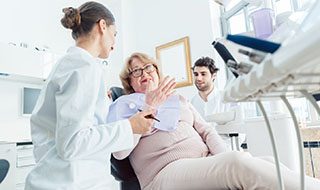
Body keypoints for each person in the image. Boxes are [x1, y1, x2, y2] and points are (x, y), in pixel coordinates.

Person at [107, 52, 320, 190]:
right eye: (136, 71)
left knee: (268, 162)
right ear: (129, 81)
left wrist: (225, 156)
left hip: (204, 160)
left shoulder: (177, 99)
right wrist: (149, 106)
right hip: (163, 172)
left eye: (148, 67)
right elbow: (120, 152)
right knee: (236, 164)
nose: (144, 72)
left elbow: (207, 131)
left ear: (157, 71)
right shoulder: (123, 105)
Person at [24, 2, 174, 190]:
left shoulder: (72, 65)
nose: (114, 42)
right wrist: (130, 126)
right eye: (115, 34)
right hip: (71, 182)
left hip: (62, 177)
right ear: (102, 26)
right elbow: (72, 143)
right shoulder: (84, 67)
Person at [191, 56, 245, 150]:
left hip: (228, 150)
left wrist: (222, 150)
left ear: (214, 75)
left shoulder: (228, 98)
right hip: (202, 153)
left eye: (203, 74)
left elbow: (241, 133)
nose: (198, 78)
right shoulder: (192, 103)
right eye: (196, 74)